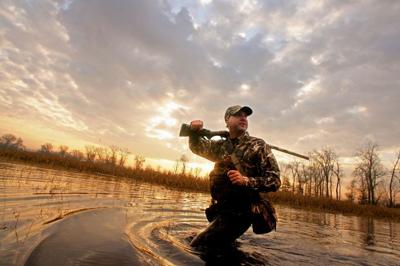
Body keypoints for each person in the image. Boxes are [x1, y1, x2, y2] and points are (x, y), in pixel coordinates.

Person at [188, 105, 281, 249]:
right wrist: (193, 132)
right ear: (227, 120)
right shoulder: (221, 146)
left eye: (245, 115)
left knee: (199, 246)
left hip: (242, 212)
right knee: (218, 248)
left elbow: (275, 181)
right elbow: (197, 147)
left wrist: (246, 181)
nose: (243, 118)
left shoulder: (257, 145)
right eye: (238, 115)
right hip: (222, 209)